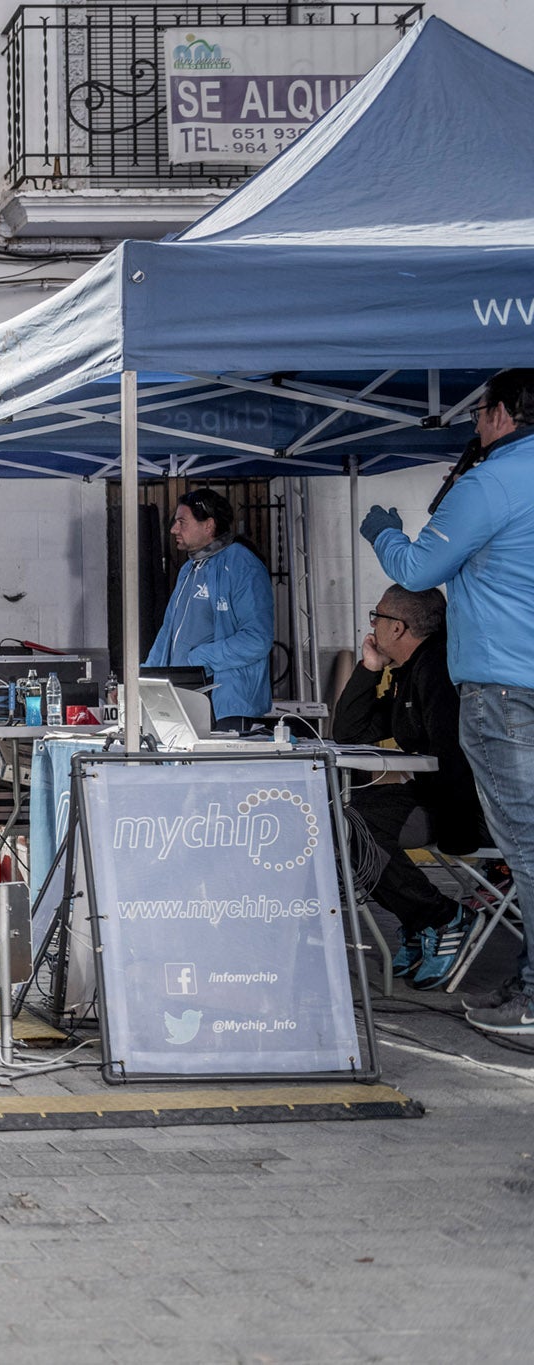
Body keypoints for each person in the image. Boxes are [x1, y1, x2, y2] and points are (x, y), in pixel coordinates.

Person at [366, 368, 534, 1032]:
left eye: (479, 413)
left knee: (524, 841)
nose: (475, 424)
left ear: (499, 416)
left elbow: (415, 570)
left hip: (502, 684)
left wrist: (382, 531)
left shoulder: (489, 481)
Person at [331, 586, 487, 988]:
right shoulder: (409, 670)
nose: (371, 624)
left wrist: (459, 835)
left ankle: (440, 917)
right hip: (434, 796)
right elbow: (351, 732)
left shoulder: (438, 667)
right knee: (340, 820)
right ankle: (423, 920)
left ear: (397, 628)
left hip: (468, 807)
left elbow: (455, 759)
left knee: (352, 828)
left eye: (376, 616)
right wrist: (369, 668)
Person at [142, 488, 274, 730]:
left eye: (181, 522)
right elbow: (167, 634)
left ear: (209, 525)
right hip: (182, 702)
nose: (173, 529)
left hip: (227, 707)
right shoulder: (189, 569)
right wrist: (142, 680)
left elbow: (257, 640)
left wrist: (198, 659)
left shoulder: (242, 564)